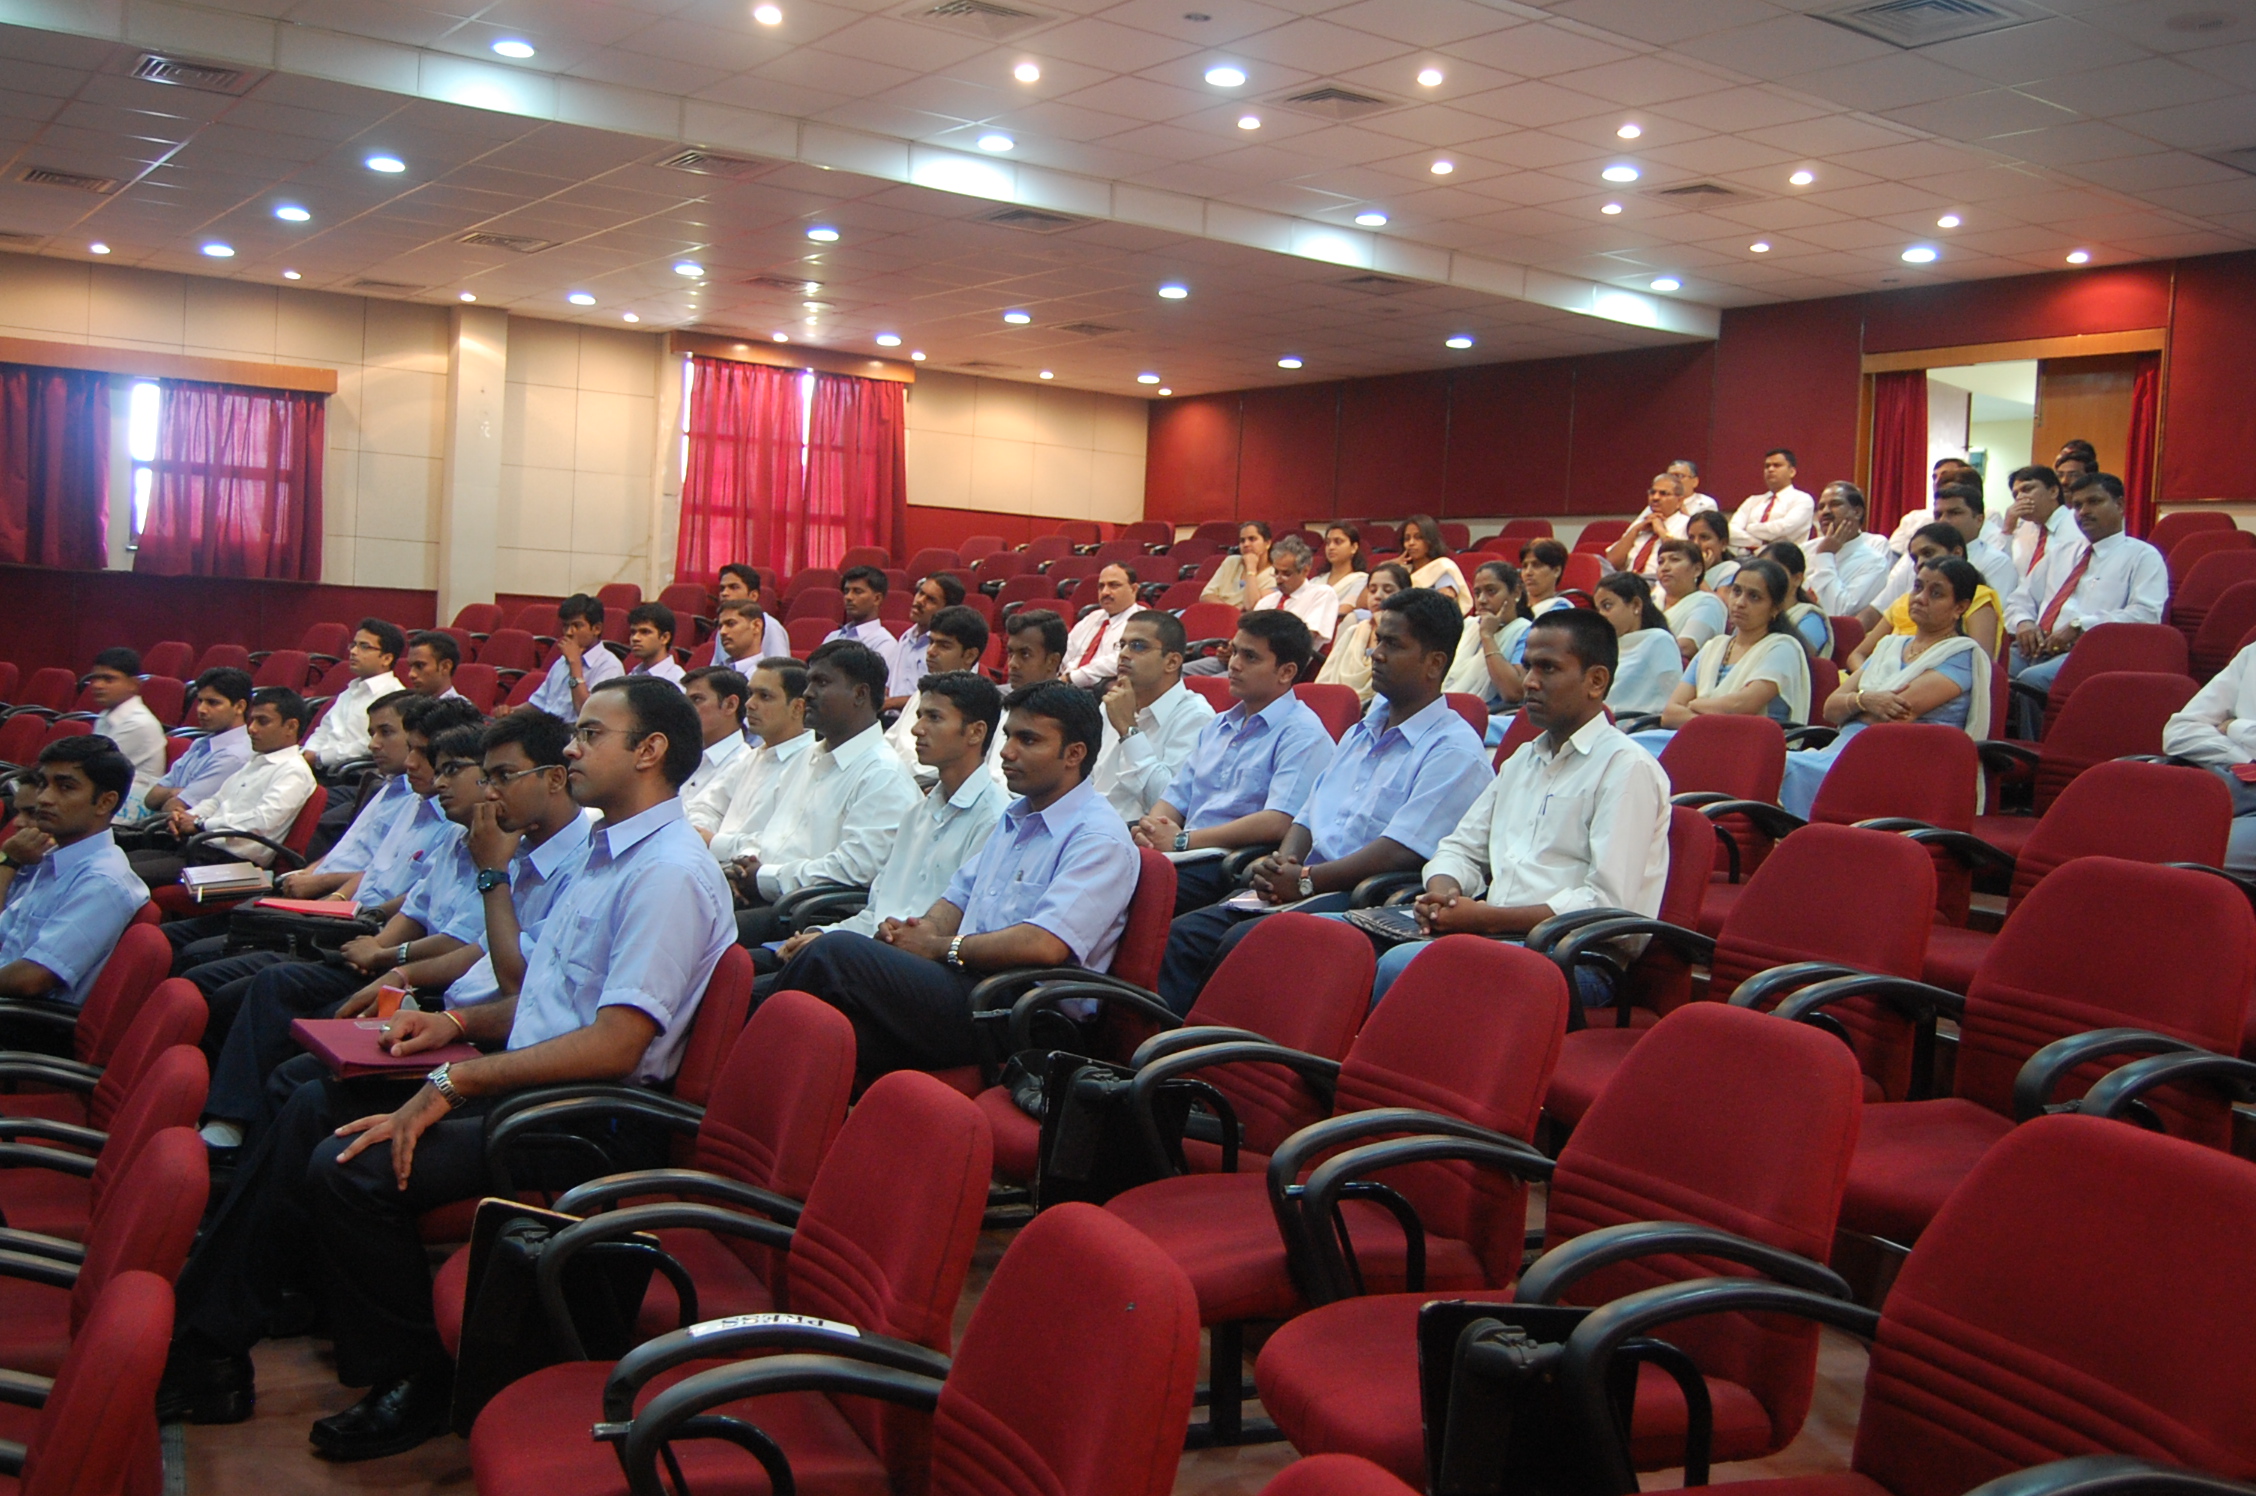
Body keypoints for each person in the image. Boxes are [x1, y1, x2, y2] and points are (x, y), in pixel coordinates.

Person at [157, 677, 732, 1457]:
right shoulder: (609, 854)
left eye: (592, 734)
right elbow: (533, 993)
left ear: (649, 750)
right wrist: (455, 1024)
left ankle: (414, 1376)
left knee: (352, 1168)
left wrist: (455, 1080)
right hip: (537, 1081)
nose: (571, 748)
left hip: (587, 1118)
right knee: (314, 1104)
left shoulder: (666, 871)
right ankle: (209, 1345)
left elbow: (616, 1045)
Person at [766, 679, 1139, 1083]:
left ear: (1074, 754)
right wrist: (918, 931)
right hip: (973, 986)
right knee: (836, 1033)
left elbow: (1045, 944)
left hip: (1027, 1014)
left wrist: (938, 947)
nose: (1007, 751)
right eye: (1009, 736)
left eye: (1028, 740)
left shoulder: (1097, 836)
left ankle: (740, 1077)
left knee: (834, 953)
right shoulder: (1018, 816)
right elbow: (958, 896)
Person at [1155, 588, 1494, 1012]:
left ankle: (1206, 1047)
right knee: (1185, 934)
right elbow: (1307, 814)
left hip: (1359, 895)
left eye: (1393, 644)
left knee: (1238, 943)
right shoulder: (1360, 732)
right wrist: (1284, 863)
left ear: (1435, 663)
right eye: (1378, 640)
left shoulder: (1453, 749)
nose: (1375, 654)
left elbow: (1400, 851)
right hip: (1307, 882)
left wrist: (1306, 880)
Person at [191, 720, 501, 1153]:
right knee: (257, 982)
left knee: (292, 1045)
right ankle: (224, 1120)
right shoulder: (454, 834)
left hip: (428, 985)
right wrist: (376, 947)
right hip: (383, 948)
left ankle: (233, 1136)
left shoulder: (499, 851)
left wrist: (386, 956)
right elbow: (414, 911)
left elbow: (463, 944)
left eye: (451, 769)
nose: (438, 780)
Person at [1355, 610, 1670, 1006]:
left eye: (1548, 668)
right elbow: (1460, 848)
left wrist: (1483, 918)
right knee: (1341, 941)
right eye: (1528, 667)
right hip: (1494, 935)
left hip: (1574, 959)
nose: (1529, 682)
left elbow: (1607, 905)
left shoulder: (1626, 768)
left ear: (1596, 681)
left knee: (1403, 965)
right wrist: (1444, 897)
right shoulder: (1523, 760)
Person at [767, 671, 1010, 971]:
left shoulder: (995, 820)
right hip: (872, 949)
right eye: (919, 716)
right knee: (767, 961)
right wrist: (821, 933)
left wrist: (833, 942)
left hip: (928, 966)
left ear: (975, 732)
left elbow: (961, 929)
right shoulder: (917, 814)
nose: (917, 729)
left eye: (934, 718)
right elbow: (876, 911)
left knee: (800, 968)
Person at [1132, 610, 1334, 913]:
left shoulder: (1303, 734)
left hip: (1228, 863)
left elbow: (1278, 821)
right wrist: (1151, 830)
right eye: (1235, 651)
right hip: (1183, 852)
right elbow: (1176, 796)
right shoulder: (1219, 725)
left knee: (1127, 891)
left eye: (1250, 657)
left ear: (1286, 671)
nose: (1234, 664)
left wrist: (1181, 841)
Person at [727, 640, 921, 946]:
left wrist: (765, 878)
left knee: (703, 934)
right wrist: (743, 868)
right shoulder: (806, 756)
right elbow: (767, 832)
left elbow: (853, 871)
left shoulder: (882, 774)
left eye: (822, 682)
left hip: (809, 914)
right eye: (808, 682)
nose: (807, 693)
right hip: (766, 893)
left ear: (860, 694)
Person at [1780, 557, 1991, 817]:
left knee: (1777, 768)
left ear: (1960, 607)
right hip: (1841, 752)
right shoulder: (1890, 646)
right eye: (1918, 587)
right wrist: (1865, 701)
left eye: (1936, 593)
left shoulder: (1961, 655)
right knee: (1764, 762)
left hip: (1897, 765)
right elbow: (1830, 709)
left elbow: (1895, 716)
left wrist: (1853, 704)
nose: (1920, 598)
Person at [2004, 473, 2168, 730]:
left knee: (2030, 681)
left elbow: (2146, 616)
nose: (2084, 512)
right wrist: (2024, 622)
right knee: (1984, 671)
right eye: (2078, 505)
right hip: (2036, 647)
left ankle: (2028, 751)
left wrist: (2080, 626)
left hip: (2090, 653)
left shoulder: (2143, 556)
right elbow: (2019, 599)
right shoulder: (2061, 553)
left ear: (2120, 505)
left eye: (2094, 502)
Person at [0, 735, 148, 1006]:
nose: (44, 798)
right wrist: (9, 863)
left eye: (65, 787)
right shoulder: (49, 858)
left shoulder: (103, 882)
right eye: (44, 784)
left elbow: (31, 978)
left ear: (104, 803)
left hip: (18, 1016)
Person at [126, 687, 317, 884]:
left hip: (234, 866)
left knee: (125, 875)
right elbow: (217, 801)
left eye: (262, 721)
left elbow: (261, 823)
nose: (251, 728)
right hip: (202, 850)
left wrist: (200, 824)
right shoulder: (256, 761)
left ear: (291, 727)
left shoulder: (294, 771)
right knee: (122, 862)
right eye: (251, 720)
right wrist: (187, 817)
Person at [1635, 558, 1811, 752]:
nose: (1740, 603)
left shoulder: (1782, 648)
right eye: (1736, 591)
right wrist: (1709, 722)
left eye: (1754, 597)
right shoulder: (1714, 647)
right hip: (1701, 738)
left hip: (1750, 748)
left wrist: (1694, 705)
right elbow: (1670, 714)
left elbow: (1740, 706)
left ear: (1775, 608)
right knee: (1635, 748)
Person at [1092, 609, 1215, 822]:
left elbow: (1169, 804)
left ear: (1172, 662)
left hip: (1135, 833)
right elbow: (1088, 779)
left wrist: (1129, 731)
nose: (1124, 654)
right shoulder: (1112, 704)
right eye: (1122, 645)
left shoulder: (1196, 717)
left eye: (1138, 646)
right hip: (1088, 823)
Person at [689, 658, 811, 861]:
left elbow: (783, 845)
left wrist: (714, 842)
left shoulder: (811, 765)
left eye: (764, 696)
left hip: (758, 874)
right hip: (718, 863)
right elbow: (708, 807)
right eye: (751, 693)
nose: (749, 704)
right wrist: (697, 831)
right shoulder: (752, 757)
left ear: (798, 707)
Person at [2162, 636, 2256, 874]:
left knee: (2196, 860)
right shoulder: (2252, 654)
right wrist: (2246, 760)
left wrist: (2235, 727)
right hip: (2231, 779)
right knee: (2128, 837)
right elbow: (2180, 730)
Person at [1866, 482, 2017, 628]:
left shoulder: (1996, 562)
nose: (1943, 520)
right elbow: (1877, 610)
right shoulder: (1915, 557)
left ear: (1979, 520)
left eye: (1954, 513)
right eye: (1938, 515)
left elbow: (1986, 622)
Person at [1850, 522, 2005, 663]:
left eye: (1928, 553)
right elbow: (1857, 654)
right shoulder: (1906, 601)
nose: (1920, 563)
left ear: (1956, 553)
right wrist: (1869, 678)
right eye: (1914, 558)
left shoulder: (1977, 597)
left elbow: (1979, 664)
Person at [138, 667, 253, 820]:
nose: (201, 709)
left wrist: (174, 793)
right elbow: (151, 799)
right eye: (200, 701)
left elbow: (171, 808)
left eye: (213, 703)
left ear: (239, 707)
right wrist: (173, 792)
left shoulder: (235, 756)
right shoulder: (200, 743)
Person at [886, 605, 987, 779]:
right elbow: (889, 742)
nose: (931, 652)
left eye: (944, 646)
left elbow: (957, 769)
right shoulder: (924, 692)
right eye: (931, 642)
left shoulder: (981, 703)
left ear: (969, 655)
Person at [301, 620, 405, 775]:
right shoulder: (349, 691)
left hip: (352, 775)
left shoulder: (394, 697)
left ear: (386, 659)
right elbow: (323, 730)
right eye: (354, 645)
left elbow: (369, 745)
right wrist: (308, 753)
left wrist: (320, 757)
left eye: (364, 647)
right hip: (321, 768)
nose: (354, 652)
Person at [985, 609, 1066, 788]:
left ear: (1052, 661)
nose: (1012, 664)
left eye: (1025, 654)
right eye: (1010, 653)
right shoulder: (1006, 706)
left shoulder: (1064, 717)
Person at [1443, 559, 1532, 712]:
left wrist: (1487, 636)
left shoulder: (1526, 632)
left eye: (1491, 591)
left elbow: (1514, 693)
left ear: (1516, 592)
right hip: (1449, 709)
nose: (1482, 600)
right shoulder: (1467, 626)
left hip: (1493, 716)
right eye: (1477, 593)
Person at [1593, 572, 1683, 717]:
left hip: (1637, 725)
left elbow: (1672, 698)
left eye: (1607, 606)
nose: (1601, 615)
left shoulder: (1659, 641)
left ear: (1636, 605)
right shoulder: (1605, 646)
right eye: (1598, 609)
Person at [85, 648, 165, 811]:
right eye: (95, 678)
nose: (97, 685)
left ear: (134, 684)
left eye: (108, 679)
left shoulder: (138, 723)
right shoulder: (105, 716)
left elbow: (94, 770)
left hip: (129, 808)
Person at [522, 593, 625, 719]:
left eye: (577, 625)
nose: (569, 633)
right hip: (546, 726)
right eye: (565, 626)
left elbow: (587, 714)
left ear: (596, 629)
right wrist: (510, 711)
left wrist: (575, 664)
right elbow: (538, 704)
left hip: (574, 730)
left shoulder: (609, 666)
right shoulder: (561, 661)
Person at [1804, 481, 1891, 617]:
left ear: (1857, 512)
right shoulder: (1805, 550)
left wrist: (1825, 555)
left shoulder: (1874, 563)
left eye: (1835, 504)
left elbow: (1839, 613)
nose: (1825, 512)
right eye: (1821, 507)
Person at [1607, 472, 1714, 579]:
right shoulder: (1640, 524)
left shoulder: (1687, 525)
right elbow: (1611, 563)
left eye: (1663, 494)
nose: (1655, 497)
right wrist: (1634, 531)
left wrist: (1661, 531)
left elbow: (1686, 559)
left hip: (1661, 581)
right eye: (1652, 492)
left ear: (1679, 501)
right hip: (1628, 579)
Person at [887, 573, 965, 709]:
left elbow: (940, 697)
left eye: (931, 600)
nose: (919, 601)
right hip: (890, 717)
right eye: (920, 593)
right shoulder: (906, 637)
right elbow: (890, 686)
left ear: (946, 609)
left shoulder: (952, 649)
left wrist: (891, 703)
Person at [1250, 535, 1341, 642]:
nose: (1278, 580)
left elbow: (1305, 640)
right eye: (1276, 572)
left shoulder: (1322, 594)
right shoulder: (1266, 602)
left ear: (1305, 571)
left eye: (1286, 574)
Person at [1062, 563, 1140, 688]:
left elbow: (1120, 661)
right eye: (1101, 586)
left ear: (1134, 589)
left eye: (1114, 585)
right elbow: (1067, 650)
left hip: (1096, 690)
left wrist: (1072, 678)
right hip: (1064, 684)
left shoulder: (1141, 622)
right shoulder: (1092, 617)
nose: (1105, 592)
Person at [678, 666, 750, 800]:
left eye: (697, 699)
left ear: (730, 705)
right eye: (686, 701)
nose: (686, 709)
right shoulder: (682, 760)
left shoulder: (746, 766)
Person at [1727, 447, 1815, 551]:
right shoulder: (1752, 501)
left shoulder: (1802, 499)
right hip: (1744, 558)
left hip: (1784, 558)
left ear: (1792, 472)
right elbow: (1731, 532)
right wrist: (1760, 543)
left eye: (1777, 465)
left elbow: (1783, 529)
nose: (1770, 469)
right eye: (1767, 466)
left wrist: (1750, 528)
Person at [1655, 538, 1728, 662]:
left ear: (1697, 570)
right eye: (1660, 562)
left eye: (1675, 560)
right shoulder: (1653, 600)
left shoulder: (1708, 603)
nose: (1664, 568)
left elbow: (1687, 647)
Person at [1759, 541, 1834, 658]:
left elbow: (1793, 657)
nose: (1763, 579)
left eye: (1773, 572)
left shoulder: (1810, 619)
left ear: (1797, 579)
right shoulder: (1754, 612)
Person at [2004, 465, 2074, 579]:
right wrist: (2007, 530)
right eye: (2015, 494)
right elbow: (2005, 572)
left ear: (2053, 491)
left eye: (2027, 489)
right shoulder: (2023, 530)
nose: (2019, 497)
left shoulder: (2077, 525)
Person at [1398, 515, 1472, 612]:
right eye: (1407, 538)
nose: (1411, 543)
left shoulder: (1443, 568)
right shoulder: (1402, 572)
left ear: (1430, 540)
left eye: (1418, 537)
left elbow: (1444, 608)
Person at [826, 566, 898, 662]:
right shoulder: (833, 637)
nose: (848, 597)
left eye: (857, 591)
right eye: (846, 591)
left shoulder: (884, 643)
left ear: (877, 599)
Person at [1202, 521, 1275, 609]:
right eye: (1242, 541)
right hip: (1219, 612)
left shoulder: (1274, 574)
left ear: (1267, 543)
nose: (1246, 544)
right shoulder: (1231, 562)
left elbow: (1251, 606)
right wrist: (1229, 612)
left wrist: (1251, 569)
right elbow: (1206, 595)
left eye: (1252, 539)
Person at [704, 564, 764, 666]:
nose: (724, 593)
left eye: (734, 587)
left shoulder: (770, 626)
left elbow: (778, 668)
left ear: (753, 596)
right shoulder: (724, 628)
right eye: (722, 588)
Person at [624, 602, 684, 685]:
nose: (635, 638)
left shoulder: (677, 681)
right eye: (633, 632)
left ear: (665, 638)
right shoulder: (632, 675)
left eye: (645, 632)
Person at [713, 597, 774, 673]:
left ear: (756, 626)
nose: (722, 632)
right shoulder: (713, 672)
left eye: (731, 624)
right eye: (720, 626)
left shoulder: (769, 676)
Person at [400, 631, 465, 700]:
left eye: (420, 666)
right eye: (410, 666)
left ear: (445, 666)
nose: (411, 674)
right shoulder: (405, 703)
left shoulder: (461, 706)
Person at [1687, 508, 1739, 592]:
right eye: (1691, 538)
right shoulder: (1684, 569)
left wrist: (1700, 575)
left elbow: (1718, 601)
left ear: (1723, 544)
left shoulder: (1731, 570)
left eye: (1704, 537)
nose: (1696, 543)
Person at [1320, 524, 1369, 611]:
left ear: (1354, 547)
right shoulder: (1316, 581)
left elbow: (1345, 610)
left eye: (1338, 542)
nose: (1331, 547)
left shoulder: (1362, 580)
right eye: (1328, 543)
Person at [1517, 539, 1572, 616]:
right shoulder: (1513, 607)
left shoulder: (1561, 610)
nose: (1528, 572)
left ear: (1556, 571)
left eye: (1536, 565)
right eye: (1525, 566)